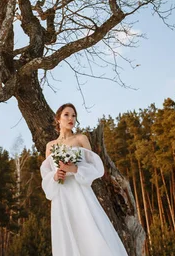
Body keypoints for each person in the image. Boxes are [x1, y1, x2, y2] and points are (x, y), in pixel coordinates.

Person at [40, 103, 129, 256]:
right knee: (67, 233)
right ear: (58, 119)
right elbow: (46, 173)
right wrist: (56, 176)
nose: (71, 119)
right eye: (66, 115)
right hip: (61, 196)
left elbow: (95, 167)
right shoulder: (50, 146)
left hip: (80, 193)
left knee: (89, 229)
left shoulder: (81, 139)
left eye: (74, 116)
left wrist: (74, 169)